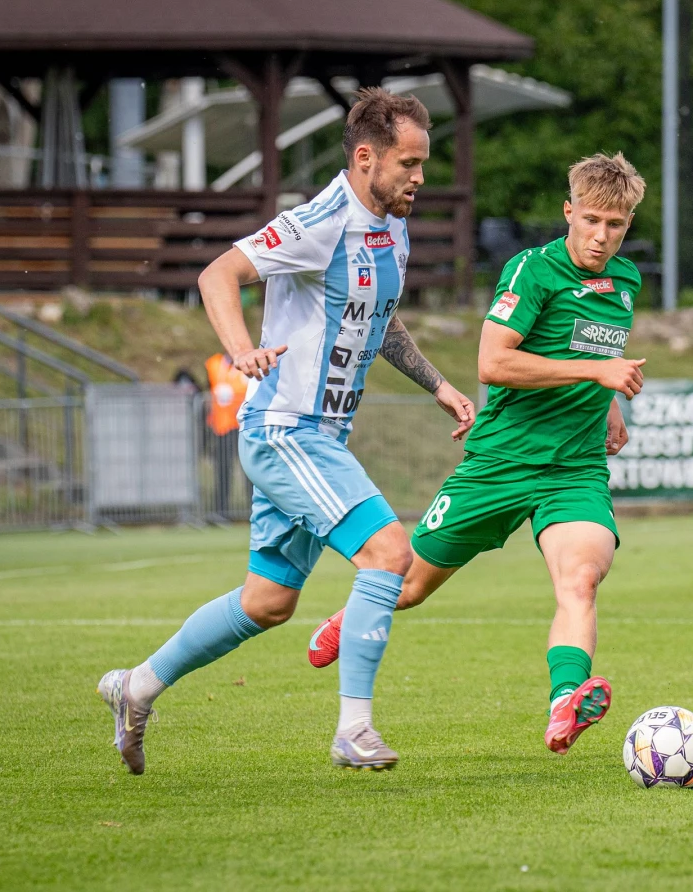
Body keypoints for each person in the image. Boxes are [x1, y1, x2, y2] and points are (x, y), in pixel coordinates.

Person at [97, 88, 475, 774]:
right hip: (286, 431)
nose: (420, 177)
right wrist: (241, 350)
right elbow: (219, 275)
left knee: (268, 602)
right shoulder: (319, 221)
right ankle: (353, 730)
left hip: (322, 437)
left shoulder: (392, 225)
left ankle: (137, 687)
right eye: (409, 163)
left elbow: (379, 316)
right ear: (367, 158)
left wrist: (438, 385)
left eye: (423, 163)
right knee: (389, 553)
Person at [306, 152, 647, 756]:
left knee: (580, 580)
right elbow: (493, 363)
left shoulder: (626, 281)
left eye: (615, 225)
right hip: (500, 463)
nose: (601, 236)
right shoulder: (532, 271)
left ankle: (565, 701)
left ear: (628, 225)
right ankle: (343, 619)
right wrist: (597, 372)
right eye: (591, 220)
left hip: (574, 470)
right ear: (569, 212)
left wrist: (607, 402)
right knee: (409, 587)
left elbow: (593, 351)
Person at [204, 352, 248, 518]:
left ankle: (252, 510)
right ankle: (221, 512)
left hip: (243, 426)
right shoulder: (214, 363)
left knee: (249, 470)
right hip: (222, 427)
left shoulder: (248, 361)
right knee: (222, 470)